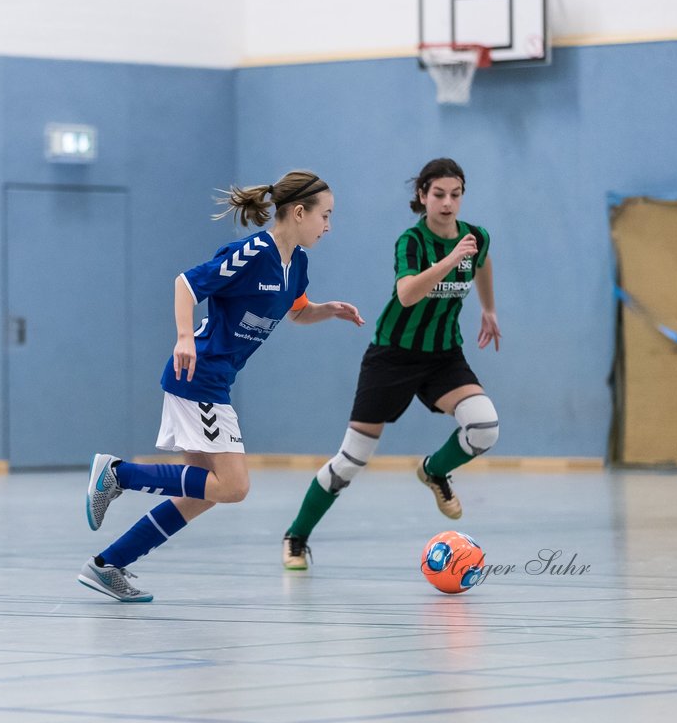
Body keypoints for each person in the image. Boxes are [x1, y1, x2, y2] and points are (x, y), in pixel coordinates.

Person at [78, 170, 364, 602]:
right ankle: (117, 474)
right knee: (234, 486)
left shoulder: (298, 264)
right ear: (299, 212)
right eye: (326, 215)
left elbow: (298, 312)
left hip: (215, 381)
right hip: (200, 378)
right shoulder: (253, 251)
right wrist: (183, 336)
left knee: (200, 494)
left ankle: (107, 565)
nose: (329, 226)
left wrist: (328, 310)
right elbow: (186, 284)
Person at [280, 157, 501, 570]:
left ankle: (434, 472)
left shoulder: (475, 237)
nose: (448, 203)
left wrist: (489, 309)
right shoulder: (411, 242)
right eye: (438, 194)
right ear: (422, 196)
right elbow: (407, 295)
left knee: (485, 428)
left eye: (455, 194)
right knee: (351, 461)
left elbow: (483, 260)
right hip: (393, 356)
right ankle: (296, 536)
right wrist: (451, 260)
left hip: (443, 357)